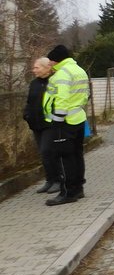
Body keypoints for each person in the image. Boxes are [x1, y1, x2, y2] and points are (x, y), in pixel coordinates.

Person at [43, 44, 90, 206]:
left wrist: (57, 119)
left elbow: (61, 98)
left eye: (50, 62)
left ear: (56, 61)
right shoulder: (79, 70)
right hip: (78, 118)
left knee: (64, 158)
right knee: (77, 155)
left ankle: (67, 192)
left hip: (64, 122)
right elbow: (85, 95)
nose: (49, 65)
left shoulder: (62, 74)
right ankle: (78, 188)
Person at [23, 57, 62, 194]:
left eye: (36, 67)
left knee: (48, 151)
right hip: (36, 124)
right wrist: (26, 115)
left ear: (47, 68)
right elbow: (29, 101)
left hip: (50, 124)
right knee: (43, 154)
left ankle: (58, 180)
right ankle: (49, 180)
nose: (33, 70)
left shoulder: (54, 82)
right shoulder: (34, 83)